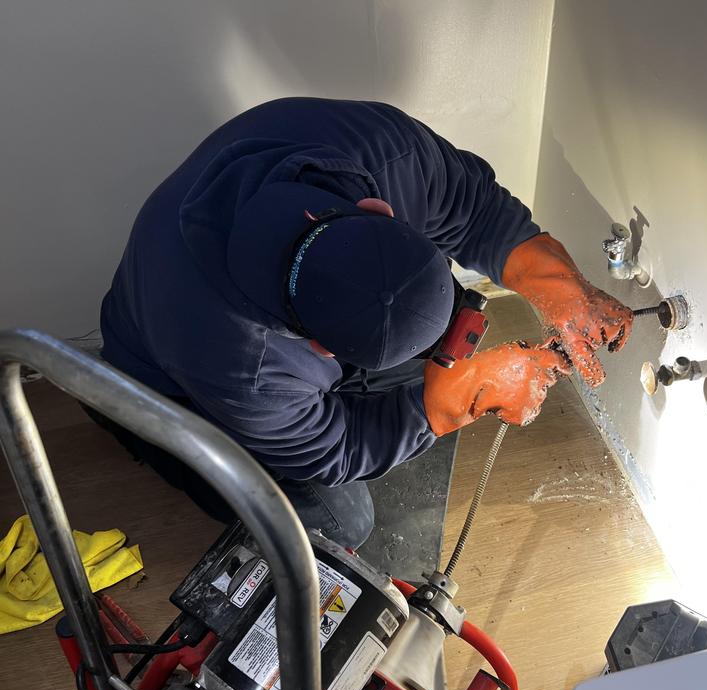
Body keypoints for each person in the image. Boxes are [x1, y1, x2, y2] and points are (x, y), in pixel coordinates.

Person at [97, 97, 631, 548]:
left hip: (229, 323)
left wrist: (560, 288)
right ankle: (144, 434)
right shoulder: (246, 368)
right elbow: (335, 449)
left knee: (450, 348)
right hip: (167, 384)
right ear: (323, 349)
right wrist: (442, 408)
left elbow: (475, 209)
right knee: (341, 523)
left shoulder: (385, 154)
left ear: (380, 208)